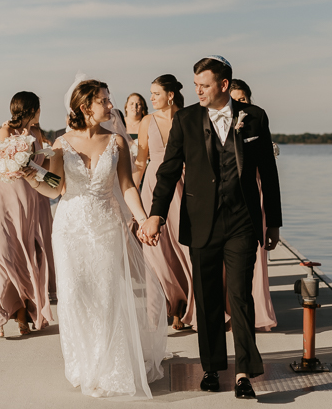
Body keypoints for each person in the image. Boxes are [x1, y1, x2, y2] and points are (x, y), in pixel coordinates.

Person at [140, 56, 282, 399]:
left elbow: (268, 171)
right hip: (201, 221)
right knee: (206, 299)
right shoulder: (186, 119)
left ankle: (245, 371)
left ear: (223, 85)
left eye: (204, 85)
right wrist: (156, 214)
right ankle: (212, 368)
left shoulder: (255, 117)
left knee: (240, 296)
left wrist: (273, 221)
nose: (197, 91)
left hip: (243, 222)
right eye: (195, 85)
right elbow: (168, 171)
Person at [25, 79, 168, 398]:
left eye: (108, 99)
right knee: (74, 295)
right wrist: (30, 174)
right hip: (69, 226)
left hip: (106, 224)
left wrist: (143, 220)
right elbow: (55, 186)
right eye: (103, 100)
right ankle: (84, 365)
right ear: (85, 106)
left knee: (106, 294)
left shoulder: (117, 142)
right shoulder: (61, 143)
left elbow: (128, 186)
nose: (109, 104)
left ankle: (110, 367)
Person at [0, 92, 54, 337]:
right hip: (1, 201)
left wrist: (54, 162)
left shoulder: (38, 135)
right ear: (32, 110)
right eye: (39, 109)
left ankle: (23, 314)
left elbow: (44, 168)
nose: (40, 113)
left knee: (26, 259)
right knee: (1, 258)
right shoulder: (5, 132)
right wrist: (20, 162)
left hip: (29, 202)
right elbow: (1, 163)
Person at [134, 75, 195, 331]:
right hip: (153, 188)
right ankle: (161, 312)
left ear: (170, 95)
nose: (151, 98)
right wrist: (132, 195)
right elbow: (140, 162)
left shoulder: (190, 119)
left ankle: (184, 307)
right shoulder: (147, 122)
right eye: (150, 93)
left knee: (184, 248)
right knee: (157, 253)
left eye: (155, 93)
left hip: (186, 186)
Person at [229, 78, 277, 332]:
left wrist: (274, 223)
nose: (239, 104)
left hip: (254, 195)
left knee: (256, 256)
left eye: (243, 99)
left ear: (250, 99)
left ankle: (258, 310)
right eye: (234, 100)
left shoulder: (258, 122)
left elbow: (269, 174)